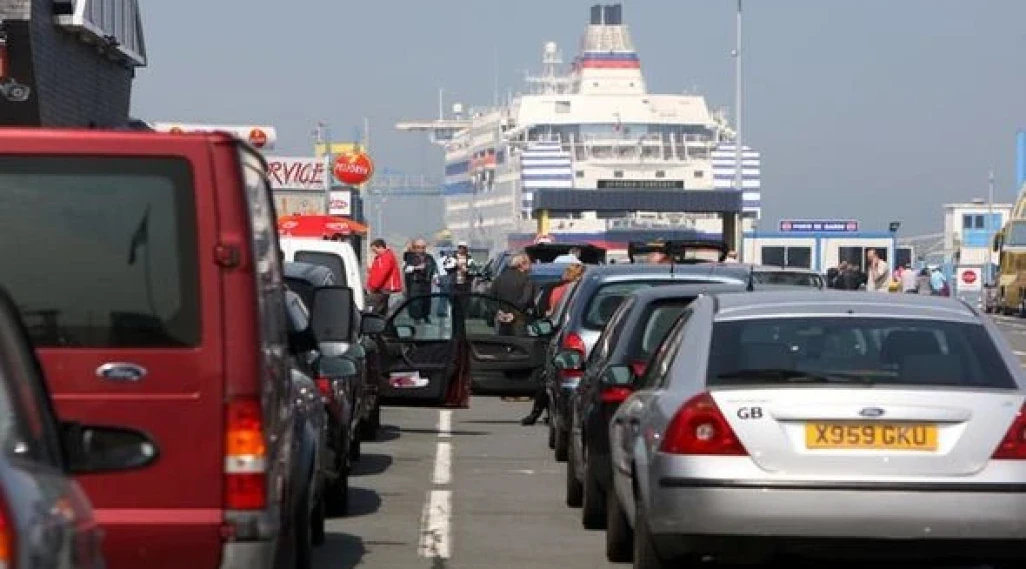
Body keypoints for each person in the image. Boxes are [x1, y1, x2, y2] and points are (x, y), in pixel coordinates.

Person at [522, 262, 586, 426]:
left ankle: (538, 412)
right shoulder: (581, 290)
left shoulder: (558, 290)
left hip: (559, 334)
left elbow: (547, 314)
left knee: (550, 376)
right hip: (578, 334)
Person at [488, 253, 537, 336]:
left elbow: (490, 299)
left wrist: (498, 312)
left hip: (501, 320)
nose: (531, 266)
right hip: (518, 320)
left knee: (502, 344)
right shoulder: (526, 280)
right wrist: (513, 314)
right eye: (529, 263)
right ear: (522, 264)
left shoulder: (499, 279)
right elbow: (526, 300)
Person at [404, 239, 438, 323]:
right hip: (415, 283)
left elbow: (434, 267)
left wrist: (435, 276)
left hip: (426, 282)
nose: (421, 249)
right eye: (418, 247)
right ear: (415, 248)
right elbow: (406, 269)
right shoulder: (410, 257)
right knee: (416, 301)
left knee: (426, 300)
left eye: (423, 247)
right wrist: (416, 268)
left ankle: (426, 315)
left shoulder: (429, 257)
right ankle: (416, 318)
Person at [366, 238, 402, 315]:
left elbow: (382, 274)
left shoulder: (385, 257)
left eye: (375, 250)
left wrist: (373, 286)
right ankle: (383, 323)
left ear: (380, 247)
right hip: (383, 288)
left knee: (375, 308)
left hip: (381, 288)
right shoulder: (384, 256)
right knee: (382, 308)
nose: (374, 252)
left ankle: (375, 324)